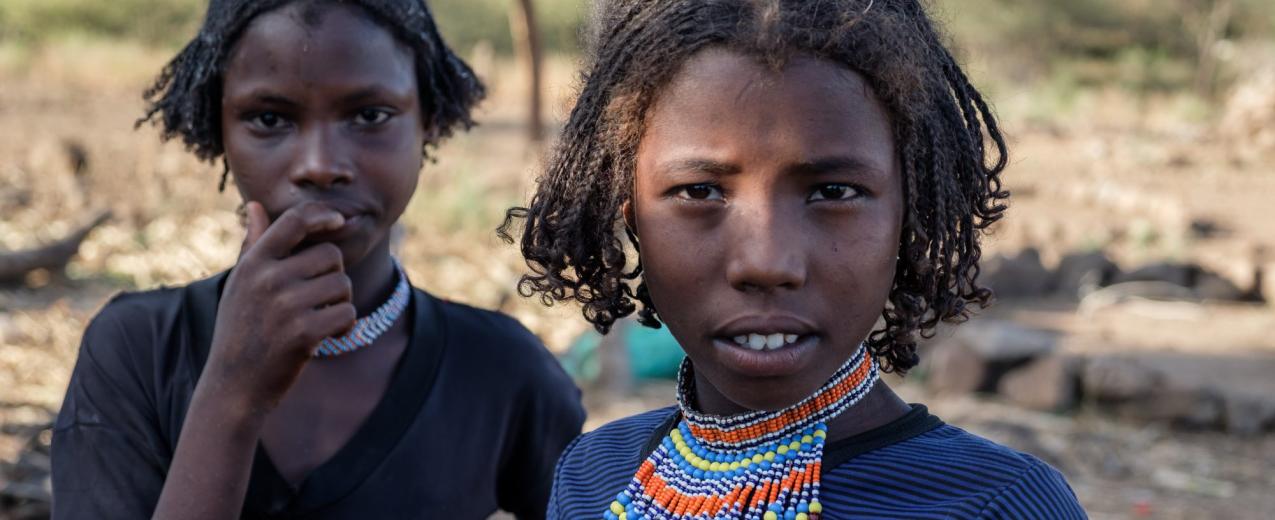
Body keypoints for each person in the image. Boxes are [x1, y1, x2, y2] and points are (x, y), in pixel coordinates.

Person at [502, 0, 1087, 518]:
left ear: (909, 214)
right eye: (699, 191)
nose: (766, 262)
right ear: (630, 214)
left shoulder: (997, 504)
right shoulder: (593, 476)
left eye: (834, 192)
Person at [51, 1, 584, 518]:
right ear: (220, 129)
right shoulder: (135, 353)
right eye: (268, 118)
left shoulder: (504, 373)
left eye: (370, 115)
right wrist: (233, 394)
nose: (320, 165)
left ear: (428, 120)